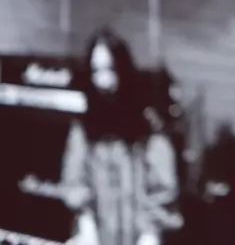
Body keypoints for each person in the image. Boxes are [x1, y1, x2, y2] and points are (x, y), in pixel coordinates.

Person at [61, 28, 182, 245]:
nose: (103, 81)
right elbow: (74, 183)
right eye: (96, 71)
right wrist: (86, 224)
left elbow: (163, 192)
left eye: (110, 69)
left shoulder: (148, 128)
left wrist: (150, 233)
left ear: (123, 70)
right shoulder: (83, 129)